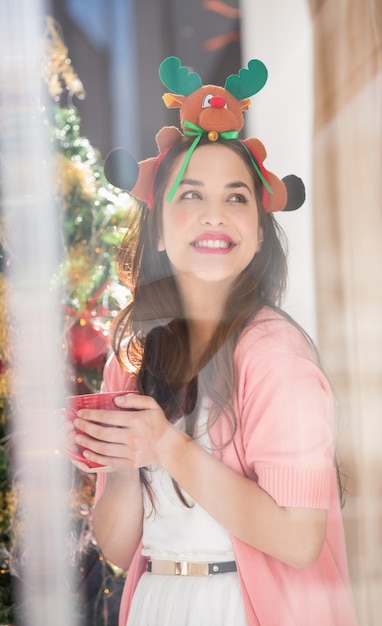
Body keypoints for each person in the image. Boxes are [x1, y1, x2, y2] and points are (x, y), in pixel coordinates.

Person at [66, 58, 358, 626]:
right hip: (158, 603)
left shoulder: (276, 356)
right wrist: (123, 458)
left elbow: (300, 538)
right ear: (158, 227)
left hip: (245, 609)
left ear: (258, 232)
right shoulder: (132, 360)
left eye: (236, 198)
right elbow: (121, 549)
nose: (215, 216)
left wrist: (165, 446)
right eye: (191, 196)